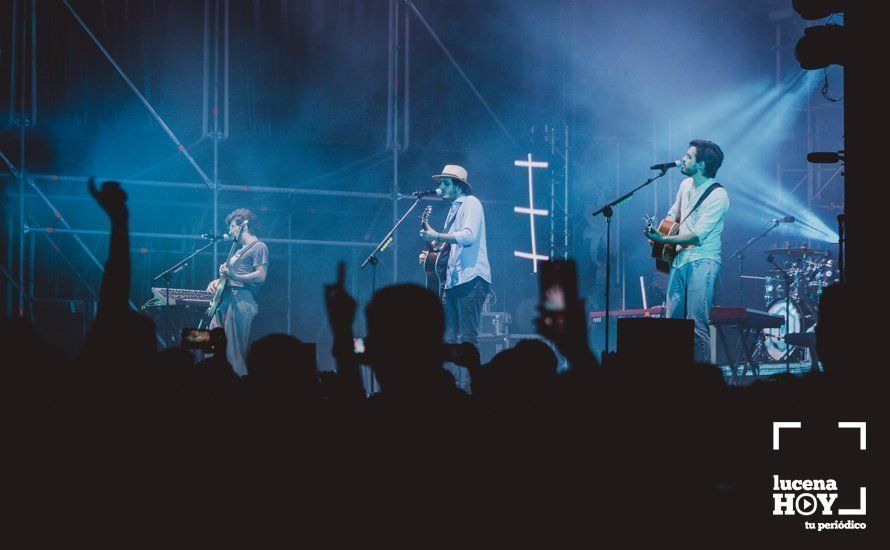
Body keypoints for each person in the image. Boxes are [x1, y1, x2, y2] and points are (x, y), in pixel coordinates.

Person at [645, 140, 729, 363]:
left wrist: (664, 239)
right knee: (672, 322)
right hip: (680, 260)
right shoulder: (684, 186)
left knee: (696, 322)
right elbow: (674, 215)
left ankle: (702, 381)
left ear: (701, 164)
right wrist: (660, 234)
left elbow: (696, 236)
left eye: (689, 157)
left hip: (703, 261)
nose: (683, 159)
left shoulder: (718, 195)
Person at [420, 164, 491, 392]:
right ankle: (449, 392)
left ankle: (476, 391)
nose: (440, 187)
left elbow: (468, 236)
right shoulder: (453, 209)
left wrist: (437, 235)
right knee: (447, 341)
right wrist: (432, 253)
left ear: (458, 186)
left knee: (468, 340)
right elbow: (450, 246)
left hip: (470, 280)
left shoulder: (471, 203)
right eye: (440, 183)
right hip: (452, 283)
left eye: (445, 183)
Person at [206, 208, 269, 376]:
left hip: (240, 300)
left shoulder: (259, 246)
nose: (229, 231)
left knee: (233, 351)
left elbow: (261, 276)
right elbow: (232, 276)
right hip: (225, 299)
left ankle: (238, 386)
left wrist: (233, 275)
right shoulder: (239, 250)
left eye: (232, 226)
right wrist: (217, 282)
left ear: (243, 226)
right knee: (214, 345)